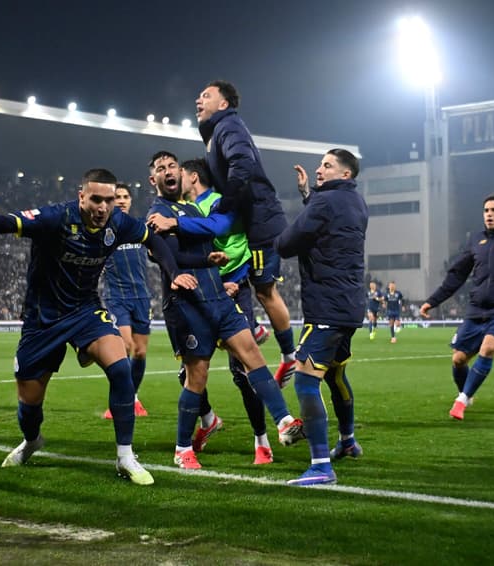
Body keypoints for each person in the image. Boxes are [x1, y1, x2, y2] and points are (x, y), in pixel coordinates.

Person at [0, 168, 195, 486]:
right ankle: (31, 441)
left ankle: (125, 456)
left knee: (121, 366)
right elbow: (6, 222)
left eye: (109, 200)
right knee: (29, 403)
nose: (103, 207)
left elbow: (155, 241)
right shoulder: (55, 218)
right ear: (81, 196)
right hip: (43, 318)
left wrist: (174, 271)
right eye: (96, 199)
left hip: (85, 311)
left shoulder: (119, 223)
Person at [146, 151, 303, 470]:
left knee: (253, 358)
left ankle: (284, 421)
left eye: (172, 166)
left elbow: (208, 242)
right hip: (188, 304)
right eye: (161, 169)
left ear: (182, 172)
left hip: (219, 296)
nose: (168, 171)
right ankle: (182, 448)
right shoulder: (156, 213)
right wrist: (196, 265)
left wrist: (218, 272)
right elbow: (168, 255)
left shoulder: (190, 210)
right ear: (154, 180)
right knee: (196, 378)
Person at [193, 80, 298, 386]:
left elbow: (243, 164)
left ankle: (289, 357)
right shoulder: (214, 133)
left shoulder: (229, 127)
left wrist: (225, 203)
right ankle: (256, 331)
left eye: (206, 95)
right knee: (239, 283)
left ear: (223, 104)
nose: (198, 100)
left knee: (265, 290)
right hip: (248, 224)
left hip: (262, 224)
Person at [275, 149, 368, 486]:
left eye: (327, 165)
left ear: (345, 174)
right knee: (336, 376)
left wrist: (271, 236)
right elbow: (324, 223)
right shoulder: (356, 201)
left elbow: (286, 243)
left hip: (326, 306)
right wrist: (307, 196)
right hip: (349, 304)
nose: (318, 169)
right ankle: (347, 441)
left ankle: (320, 466)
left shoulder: (324, 203)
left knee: (305, 381)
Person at [420, 195, 494, 421]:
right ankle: (465, 392)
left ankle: (461, 401)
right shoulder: (476, 241)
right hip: (476, 310)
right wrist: (433, 300)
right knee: (458, 360)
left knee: (487, 349)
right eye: (486, 210)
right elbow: (457, 275)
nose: (489, 214)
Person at [99, 183, 151, 418]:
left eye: (125, 196)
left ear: (130, 200)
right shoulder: (104, 229)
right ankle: (119, 400)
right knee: (126, 345)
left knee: (140, 352)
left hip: (141, 296)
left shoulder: (140, 227)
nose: (121, 200)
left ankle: (133, 397)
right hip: (117, 296)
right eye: (116, 197)